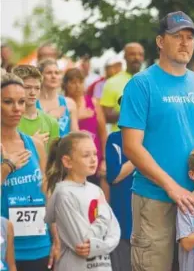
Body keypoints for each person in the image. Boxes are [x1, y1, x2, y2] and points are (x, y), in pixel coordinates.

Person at [118, 11, 194, 271]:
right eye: (177, 36)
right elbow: (131, 146)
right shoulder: (141, 84)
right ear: (160, 41)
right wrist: (172, 187)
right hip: (156, 197)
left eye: (189, 37)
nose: (185, 43)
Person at [1, 73, 58, 271]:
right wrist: (6, 167)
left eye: (21, 102)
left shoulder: (34, 145)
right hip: (4, 248)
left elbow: (46, 191)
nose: (16, 108)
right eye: (8, 102)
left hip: (39, 244)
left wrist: (56, 238)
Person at [44, 131, 120, 271]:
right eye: (86, 155)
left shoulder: (96, 190)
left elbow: (115, 231)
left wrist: (100, 246)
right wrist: (102, 211)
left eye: (95, 154)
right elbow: (82, 242)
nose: (93, 159)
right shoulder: (64, 193)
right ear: (67, 161)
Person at [62, 68, 107, 187]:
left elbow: (103, 133)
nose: (77, 86)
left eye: (80, 82)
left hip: (92, 159)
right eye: (73, 82)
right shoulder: (62, 105)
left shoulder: (93, 103)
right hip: (71, 160)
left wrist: (104, 159)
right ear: (65, 85)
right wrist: (79, 117)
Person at [105, 96, 135, 271]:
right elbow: (114, 176)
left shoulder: (155, 138)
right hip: (123, 214)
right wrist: (139, 155)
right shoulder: (115, 139)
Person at [12, 65, 60, 151]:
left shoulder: (51, 122)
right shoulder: (6, 120)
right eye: (27, 87)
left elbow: (53, 161)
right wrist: (31, 142)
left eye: (37, 88)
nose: (33, 93)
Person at [100, 42, 145, 132]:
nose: (137, 57)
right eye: (132, 54)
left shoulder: (151, 80)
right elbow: (106, 116)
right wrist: (130, 113)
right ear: (124, 56)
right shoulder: (112, 82)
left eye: (140, 54)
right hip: (120, 140)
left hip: (148, 140)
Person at [36, 58, 79, 136]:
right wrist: (51, 116)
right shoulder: (32, 103)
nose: (53, 76)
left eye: (57, 73)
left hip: (63, 147)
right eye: (49, 73)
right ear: (40, 76)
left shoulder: (69, 103)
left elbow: (74, 136)